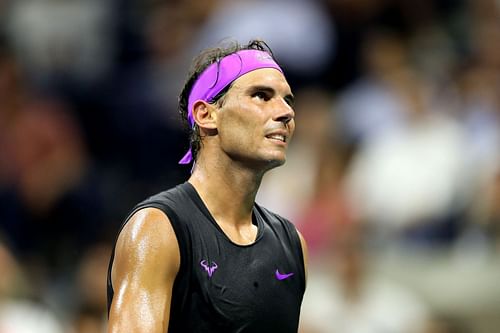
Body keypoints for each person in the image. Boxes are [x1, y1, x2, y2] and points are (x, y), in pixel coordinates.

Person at [107, 39, 308, 333]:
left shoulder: (292, 244)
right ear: (206, 115)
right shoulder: (157, 229)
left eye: (288, 100)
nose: (285, 113)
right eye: (261, 96)